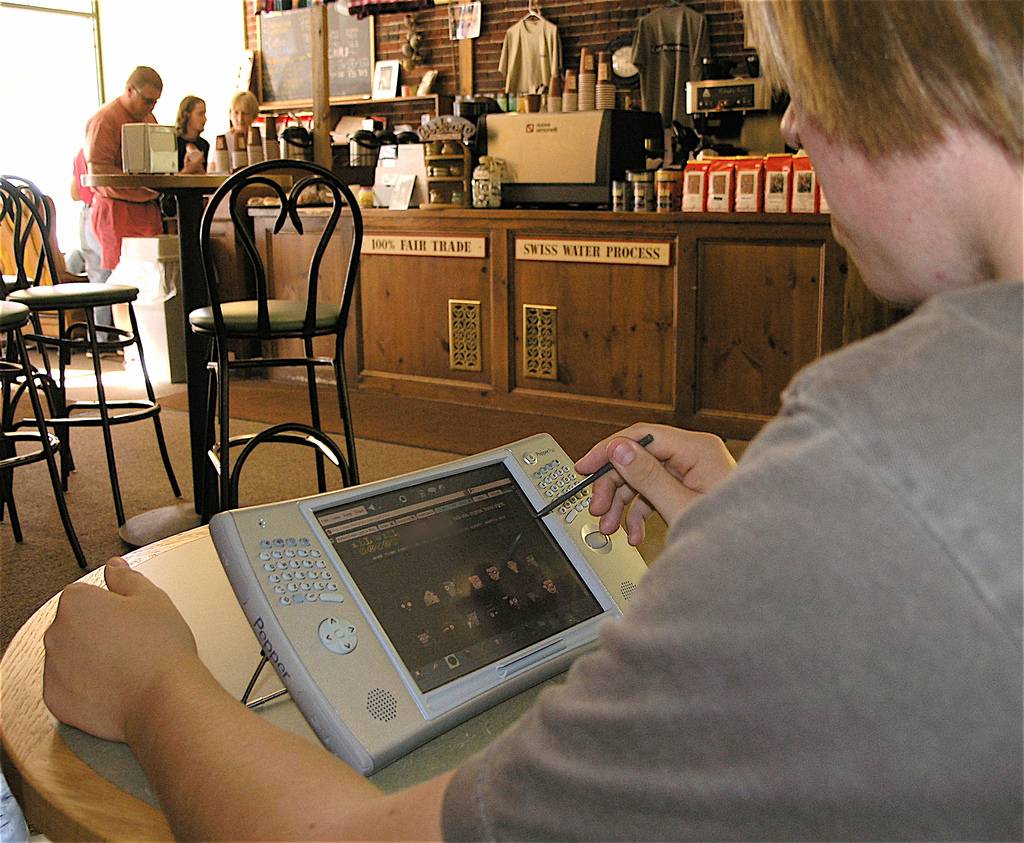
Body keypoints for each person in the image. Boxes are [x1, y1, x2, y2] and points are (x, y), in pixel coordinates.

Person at [42, 2, 1022, 840]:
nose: (797, 124)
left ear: (921, 73)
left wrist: (155, 688)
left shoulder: (872, 455)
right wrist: (780, 539)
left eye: (810, 82)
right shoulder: (880, 472)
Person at [83, 66, 165, 274]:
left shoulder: (149, 118)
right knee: (117, 284)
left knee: (149, 283)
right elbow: (98, 172)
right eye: (147, 101)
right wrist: (137, 182)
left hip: (146, 209)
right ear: (129, 90)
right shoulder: (105, 120)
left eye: (155, 102)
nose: (151, 107)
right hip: (116, 211)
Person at [70, 148, 114, 341]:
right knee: (110, 275)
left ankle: (98, 338)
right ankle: (109, 338)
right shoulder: (107, 152)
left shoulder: (81, 153)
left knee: (97, 277)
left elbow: (74, 193)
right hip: (104, 211)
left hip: (87, 214)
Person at [174, 95, 209, 174]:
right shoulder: (174, 143)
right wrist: (188, 170)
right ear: (187, 115)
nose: (205, 119)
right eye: (200, 114)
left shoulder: (204, 144)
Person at [224, 89, 259, 159]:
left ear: (254, 115)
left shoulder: (263, 142)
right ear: (230, 114)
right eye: (236, 113)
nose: (240, 118)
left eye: (245, 113)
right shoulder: (223, 141)